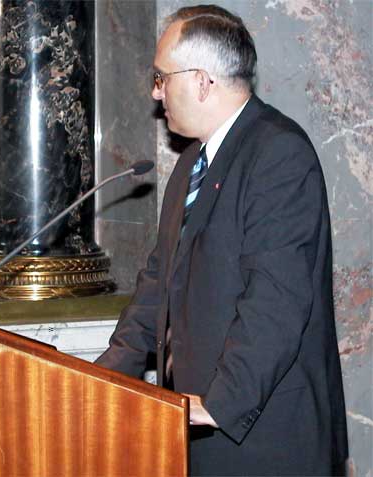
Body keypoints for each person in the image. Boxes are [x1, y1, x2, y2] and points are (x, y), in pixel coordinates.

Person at [95, 4, 348, 476]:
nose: (155, 92)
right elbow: (157, 287)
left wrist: (217, 405)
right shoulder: (190, 166)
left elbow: (276, 300)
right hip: (196, 427)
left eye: (161, 77)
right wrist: (103, 379)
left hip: (261, 437)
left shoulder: (278, 154)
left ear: (202, 81)